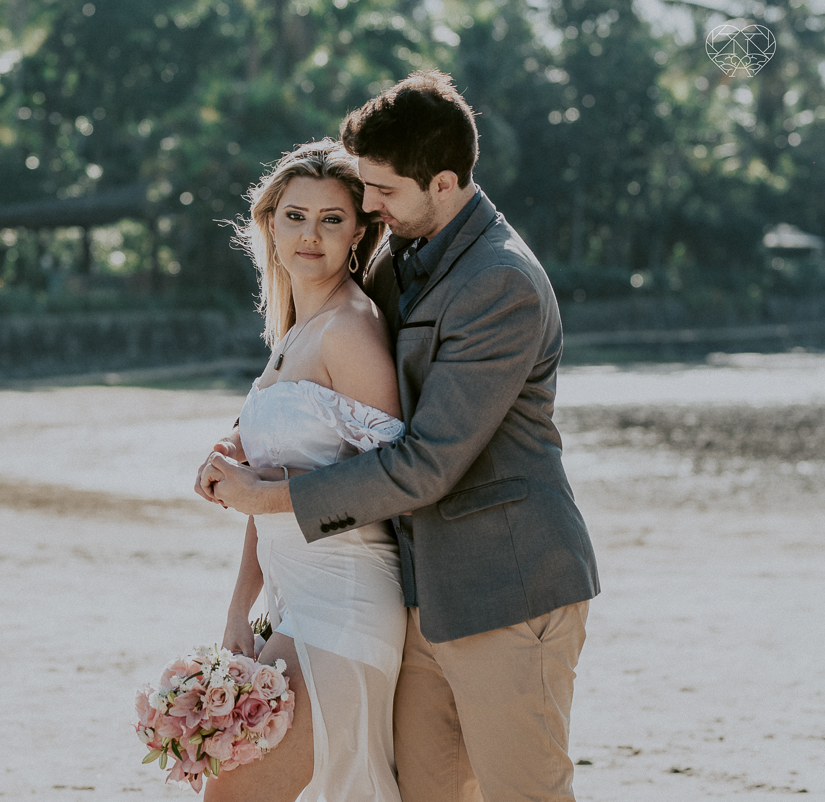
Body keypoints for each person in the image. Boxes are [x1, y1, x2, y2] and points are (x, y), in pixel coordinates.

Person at [199, 70, 601, 802]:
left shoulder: (500, 281)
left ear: (443, 183)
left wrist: (267, 494)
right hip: (417, 594)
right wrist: (245, 437)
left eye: (380, 191)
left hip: (506, 586)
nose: (370, 206)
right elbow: (327, 387)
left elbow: (427, 462)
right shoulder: (400, 257)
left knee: (525, 794)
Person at [199, 139, 406, 802]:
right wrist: (239, 611)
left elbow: (395, 478)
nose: (309, 235)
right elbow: (263, 501)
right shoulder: (291, 337)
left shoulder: (351, 328)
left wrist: (259, 488)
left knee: (233, 793)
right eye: (294, 216)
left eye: (331, 219)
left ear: (358, 235)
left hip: (345, 601)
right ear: (270, 225)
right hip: (290, 605)